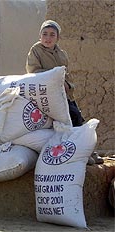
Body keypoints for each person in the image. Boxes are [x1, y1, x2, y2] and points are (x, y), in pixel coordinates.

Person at [26, 20, 103, 165]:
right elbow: (33, 72)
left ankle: (87, 152)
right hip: (45, 95)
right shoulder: (36, 51)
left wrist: (68, 84)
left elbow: (67, 76)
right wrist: (55, 77)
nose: (48, 38)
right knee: (73, 118)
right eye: (45, 34)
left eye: (52, 35)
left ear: (57, 38)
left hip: (63, 94)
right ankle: (81, 153)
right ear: (40, 36)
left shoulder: (61, 54)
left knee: (78, 118)